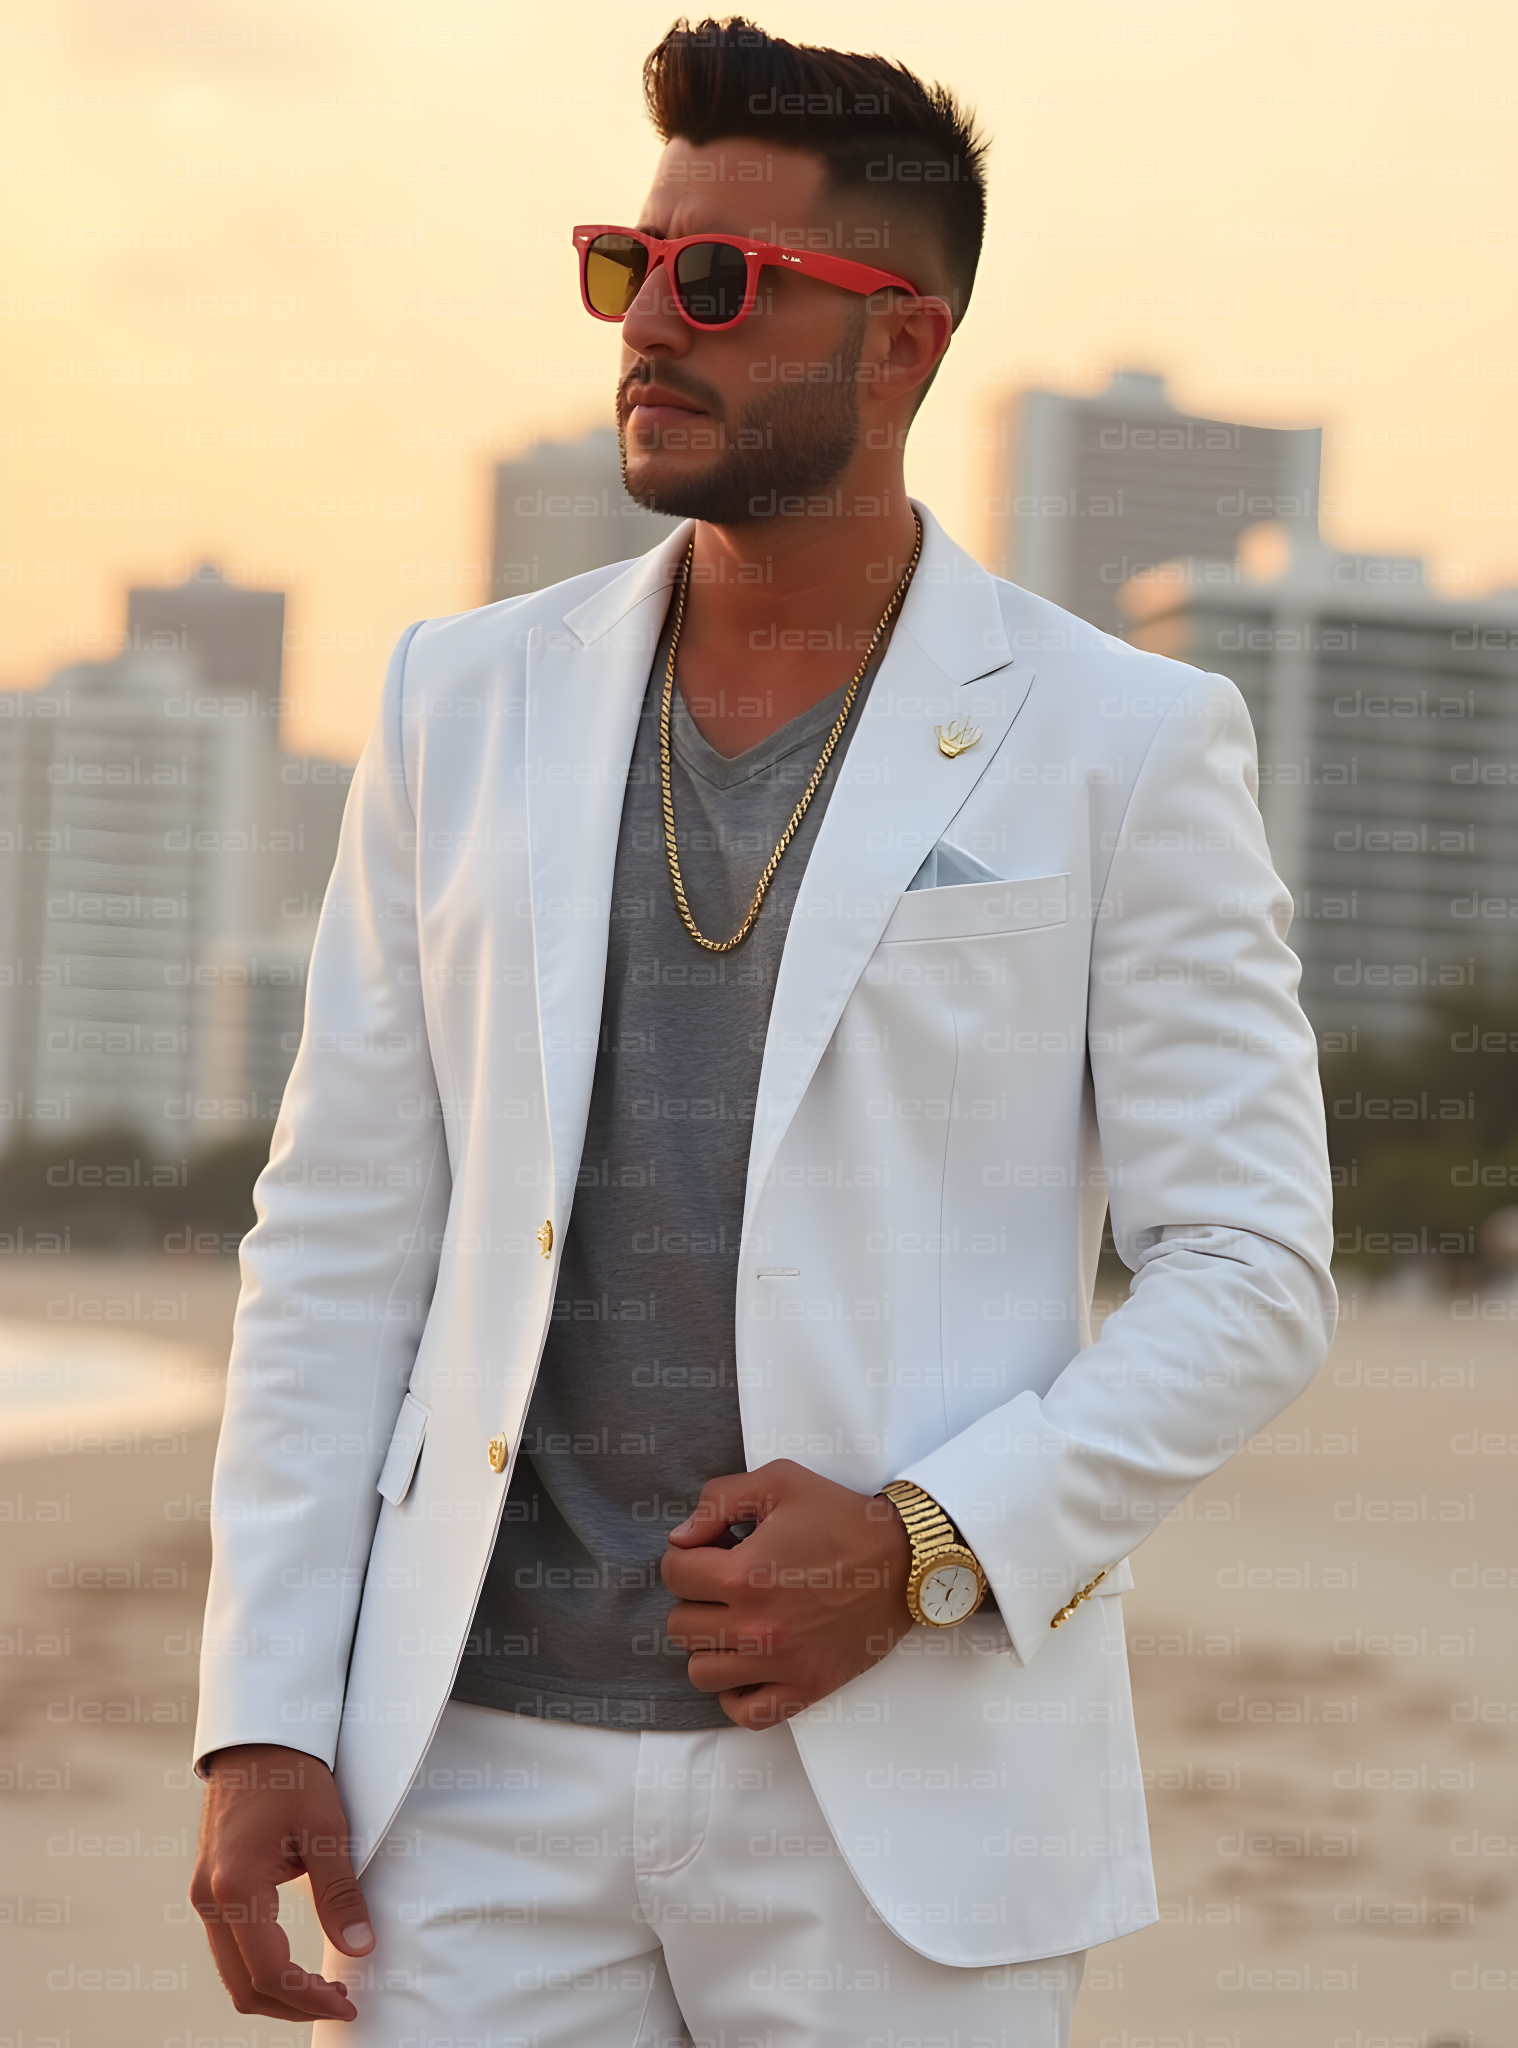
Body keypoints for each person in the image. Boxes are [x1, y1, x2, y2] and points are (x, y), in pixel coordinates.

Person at [189, 19, 1336, 2048]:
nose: (651, 326)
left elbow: (1248, 1266)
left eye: (722, 283)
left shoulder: (1125, 743)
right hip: (470, 1777)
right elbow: (343, 1233)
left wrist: (924, 1550)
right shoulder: (462, 703)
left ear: (901, 338)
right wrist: (264, 1710)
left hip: (905, 1779)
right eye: (630, 269)